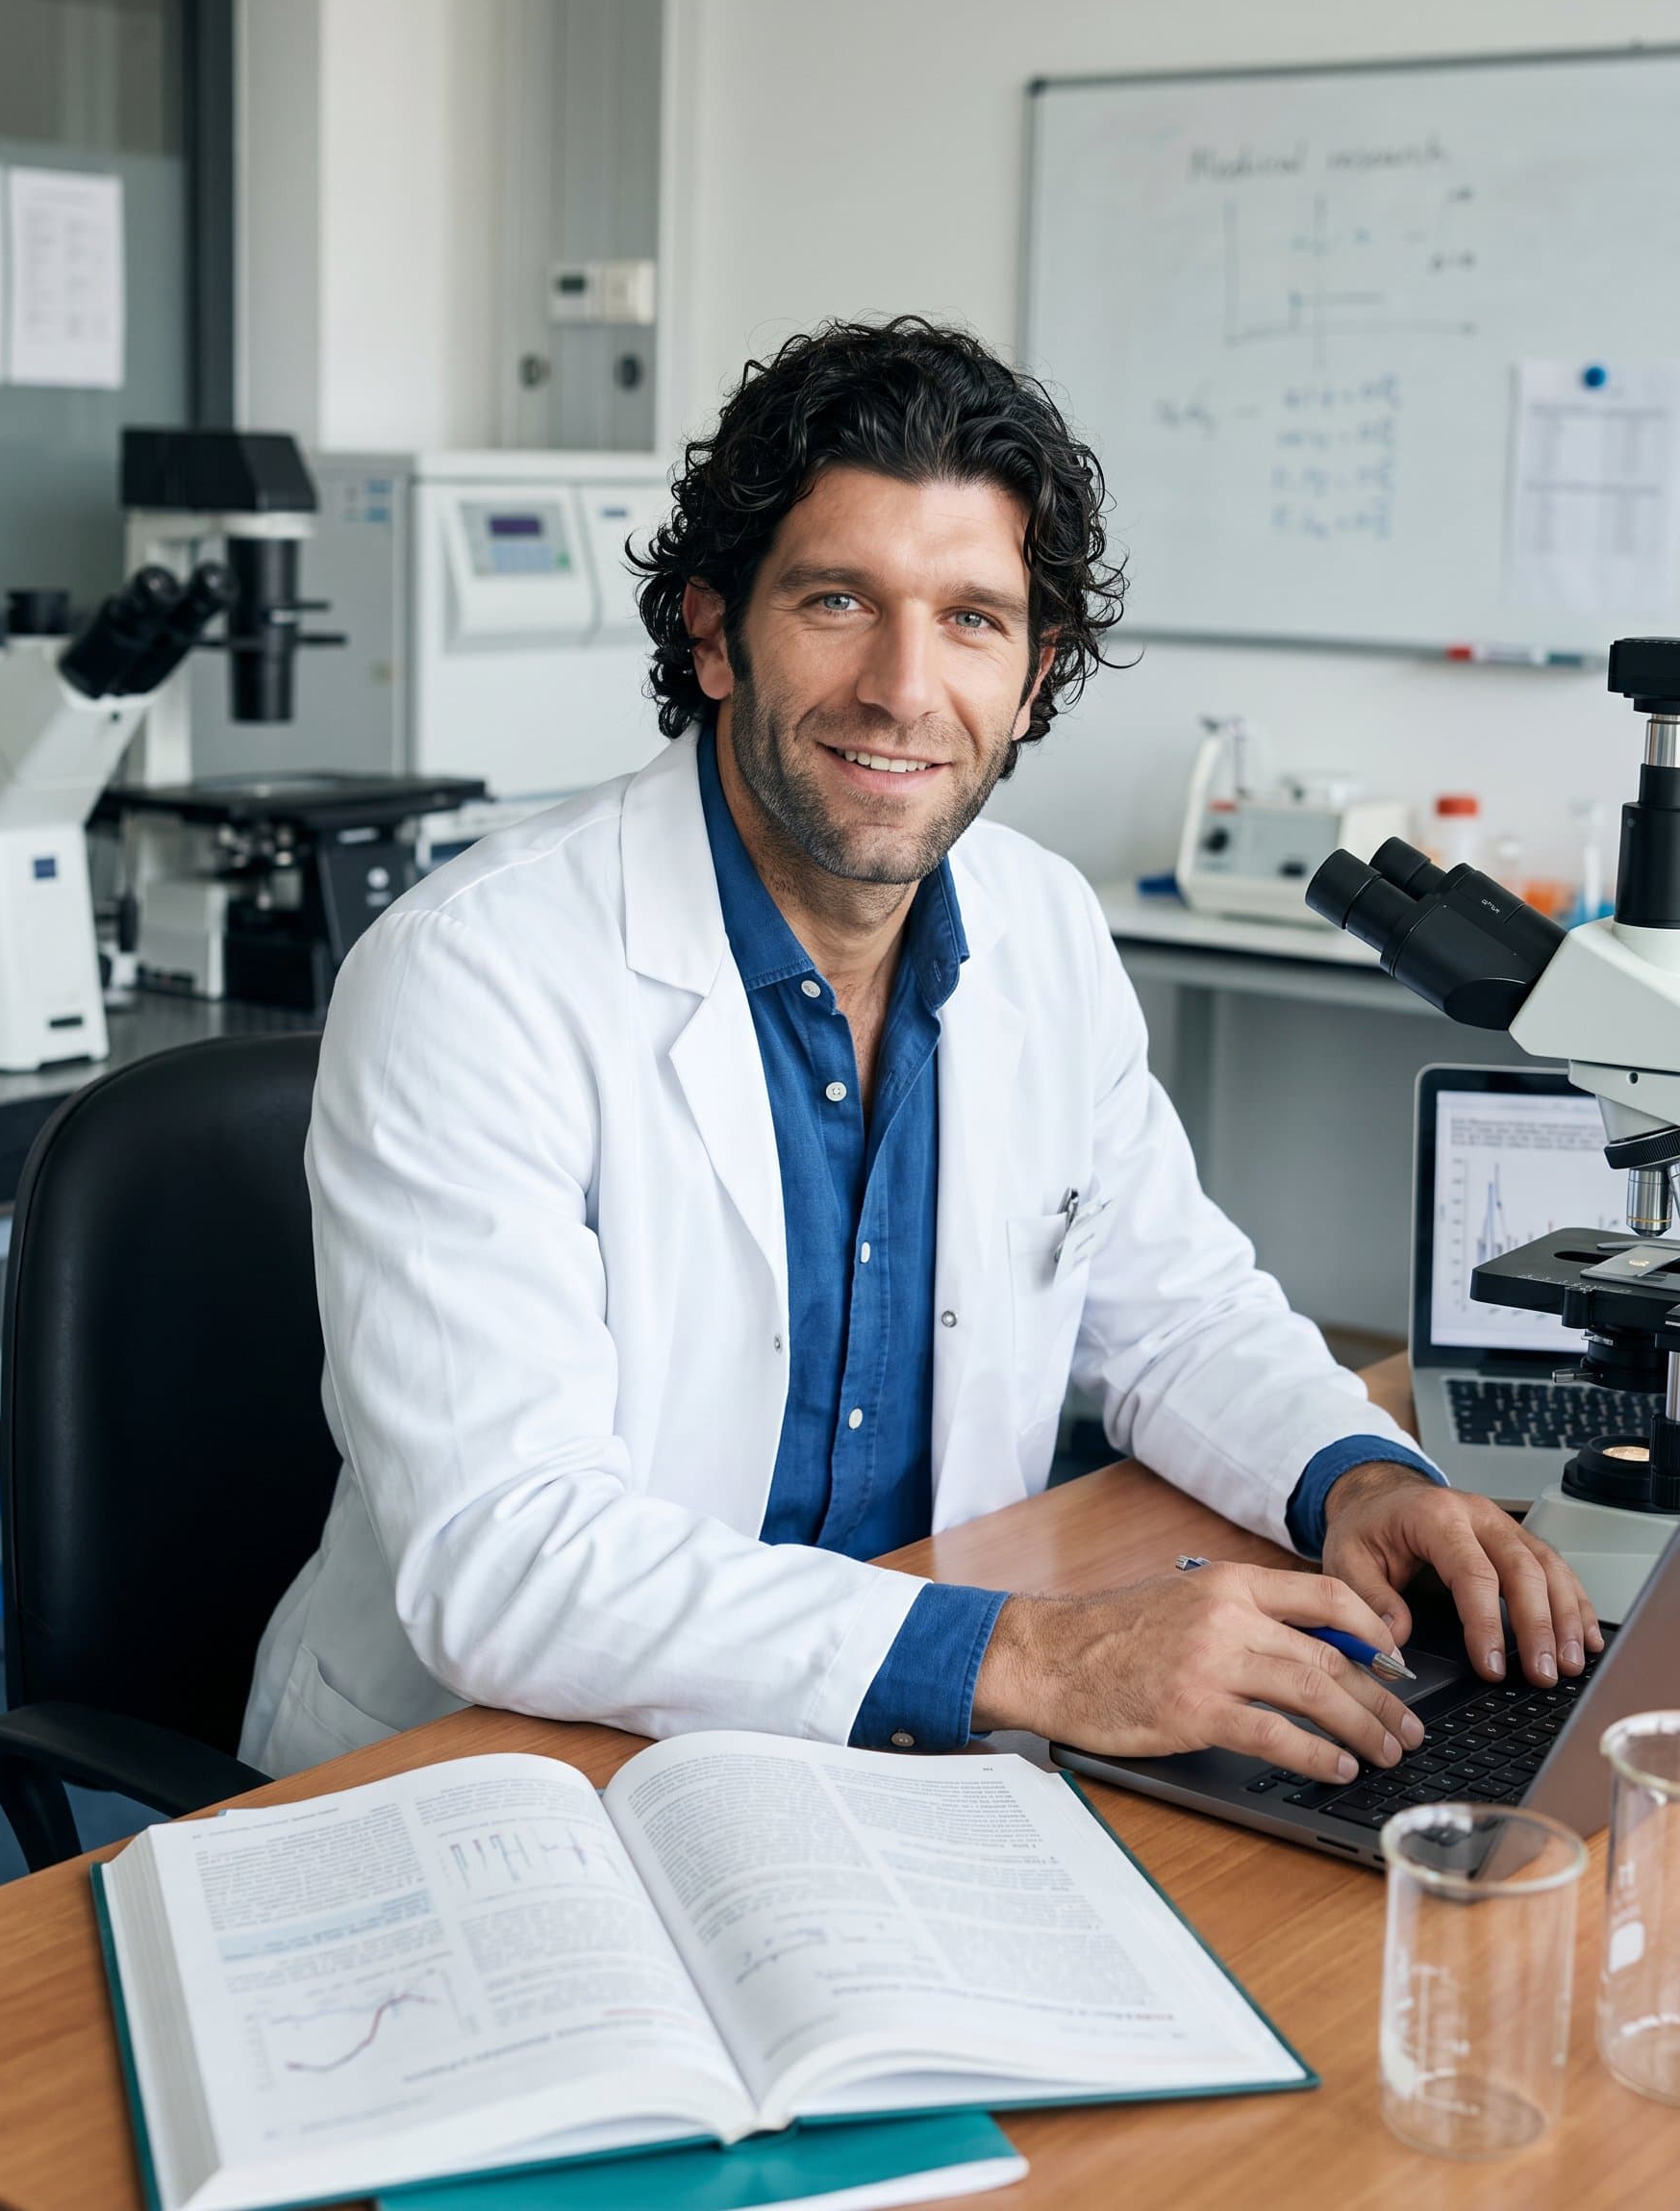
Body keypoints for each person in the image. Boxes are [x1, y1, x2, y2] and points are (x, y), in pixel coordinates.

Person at [241, 317, 1599, 1784]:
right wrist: (1034, 1655)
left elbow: (1176, 1311)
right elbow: (512, 1560)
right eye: (838, 600)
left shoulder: (1041, 929)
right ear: (712, 632)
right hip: (503, 1762)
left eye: (970, 617)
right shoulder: (473, 978)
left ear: (1032, 677)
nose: (902, 686)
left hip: (886, 1749)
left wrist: (1357, 1475)